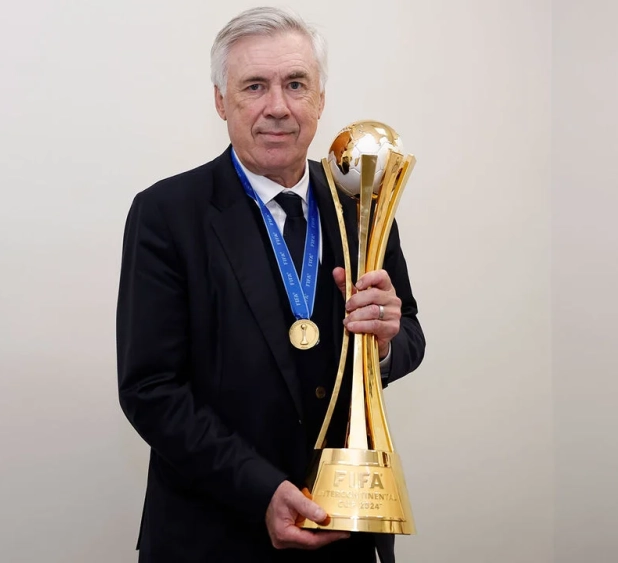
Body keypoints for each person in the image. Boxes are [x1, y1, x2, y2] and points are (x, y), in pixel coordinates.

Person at [116, 7, 425, 563]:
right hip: (213, 536)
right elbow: (151, 388)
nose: (277, 107)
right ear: (220, 101)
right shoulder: (167, 213)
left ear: (321, 99)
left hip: (345, 532)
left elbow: (410, 336)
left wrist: (381, 345)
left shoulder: (362, 203)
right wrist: (262, 490)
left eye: (296, 84)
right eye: (254, 86)